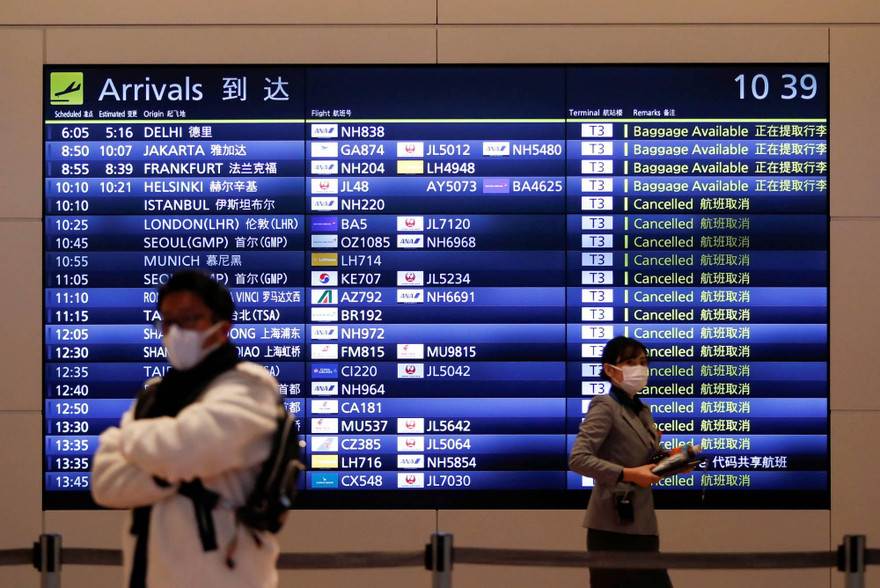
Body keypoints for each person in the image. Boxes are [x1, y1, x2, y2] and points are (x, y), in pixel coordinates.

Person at [92, 271, 281, 587]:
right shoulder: (154, 394)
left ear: (223, 328)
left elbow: (191, 449)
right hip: (149, 576)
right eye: (167, 321)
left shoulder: (248, 386)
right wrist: (171, 467)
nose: (177, 331)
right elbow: (106, 483)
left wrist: (125, 439)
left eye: (190, 318)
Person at [569, 336, 673, 587]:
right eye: (630, 362)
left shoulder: (641, 409)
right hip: (612, 525)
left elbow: (650, 458)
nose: (640, 368)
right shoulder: (605, 406)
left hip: (643, 523)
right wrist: (628, 473)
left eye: (643, 362)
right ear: (609, 369)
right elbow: (578, 459)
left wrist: (675, 462)